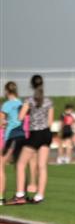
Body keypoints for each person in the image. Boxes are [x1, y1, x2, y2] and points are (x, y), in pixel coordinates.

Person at [10, 75, 53, 205]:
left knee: (20, 164)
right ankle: (39, 196)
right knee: (42, 166)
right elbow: (50, 122)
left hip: (35, 134)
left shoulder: (29, 100)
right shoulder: (49, 101)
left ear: (31, 85)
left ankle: (20, 194)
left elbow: (21, 117)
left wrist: (29, 113)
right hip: (46, 134)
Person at [2, 82, 25, 168]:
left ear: (6, 91)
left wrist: (4, 123)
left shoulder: (6, 105)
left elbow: (1, 121)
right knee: (19, 164)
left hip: (10, 136)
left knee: (1, 164)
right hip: (21, 135)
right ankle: (24, 181)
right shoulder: (20, 103)